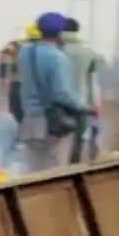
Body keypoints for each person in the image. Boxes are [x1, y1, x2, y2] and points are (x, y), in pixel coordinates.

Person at [16, 12, 88, 173]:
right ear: (60, 33)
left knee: (31, 174)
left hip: (29, 122)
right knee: (54, 176)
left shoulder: (24, 53)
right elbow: (61, 94)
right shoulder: (58, 58)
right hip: (53, 126)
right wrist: (83, 106)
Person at [61, 18, 100, 163]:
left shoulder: (54, 51)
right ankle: (74, 171)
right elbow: (93, 82)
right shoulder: (88, 52)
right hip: (81, 104)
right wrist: (95, 105)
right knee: (78, 142)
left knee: (58, 146)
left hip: (59, 104)